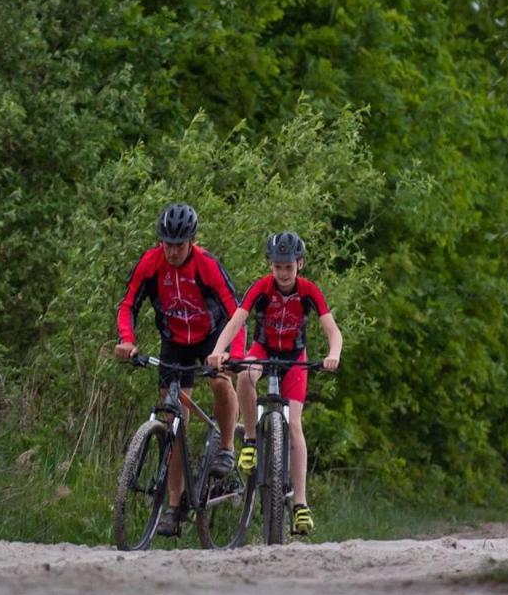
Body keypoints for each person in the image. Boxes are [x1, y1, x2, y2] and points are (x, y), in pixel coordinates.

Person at [115, 201, 245, 537]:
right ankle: (174, 506)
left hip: (211, 336)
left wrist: (232, 353)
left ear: (191, 240)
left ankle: (228, 446)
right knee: (172, 421)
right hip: (173, 339)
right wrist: (127, 341)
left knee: (218, 382)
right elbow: (129, 303)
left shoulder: (206, 265)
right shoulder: (151, 262)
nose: (172, 251)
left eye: (178, 244)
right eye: (167, 244)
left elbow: (238, 311)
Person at [207, 231, 342, 536]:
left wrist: (333, 354)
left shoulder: (309, 291)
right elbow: (236, 321)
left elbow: (332, 331)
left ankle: (301, 505)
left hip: (295, 358)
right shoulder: (261, 288)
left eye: (288, 267)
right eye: (277, 266)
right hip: (263, 350)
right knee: (243, 375)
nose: (283, 273)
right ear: (271, 265)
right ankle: (252, 440)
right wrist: (218, 350)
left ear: (300, 264)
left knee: (294, 426)